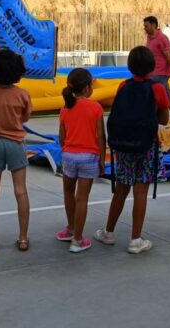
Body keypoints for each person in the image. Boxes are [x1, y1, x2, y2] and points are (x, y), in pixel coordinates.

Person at [96, 46, 170, 254]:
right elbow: (164, 119)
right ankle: (135, 239)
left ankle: (108, 232)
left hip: (123, 146)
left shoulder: (123, 86)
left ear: (129, 66)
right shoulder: (157, 89)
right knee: (141, 190)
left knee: (121, 188)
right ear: (152, 66)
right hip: (147, 145)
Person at [0, 49, 33, 253]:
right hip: (16, 143)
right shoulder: (22, 94)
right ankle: (23, 238)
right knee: (21, 190)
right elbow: (25, 118)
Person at [56, 68, 106, 252]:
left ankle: (70, 228)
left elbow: (61, 137)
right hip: (89, 157)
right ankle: (78, 239)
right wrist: (101, 158)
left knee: (68, 193)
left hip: (69, 155)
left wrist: (67, 149)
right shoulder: (95, 107)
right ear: (86, 88)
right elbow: (101, 136)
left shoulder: (65, 108)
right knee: (82, 198)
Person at [143, 15, 170, 107]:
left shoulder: (162, 38)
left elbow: (169, 57)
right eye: (144, 26)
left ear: (154, 25)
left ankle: (153, 118)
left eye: (146, 26)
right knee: (168, 96)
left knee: (155, 96)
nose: (145, 28)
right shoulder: (150, 38)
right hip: (153, 72)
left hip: (160, 73)